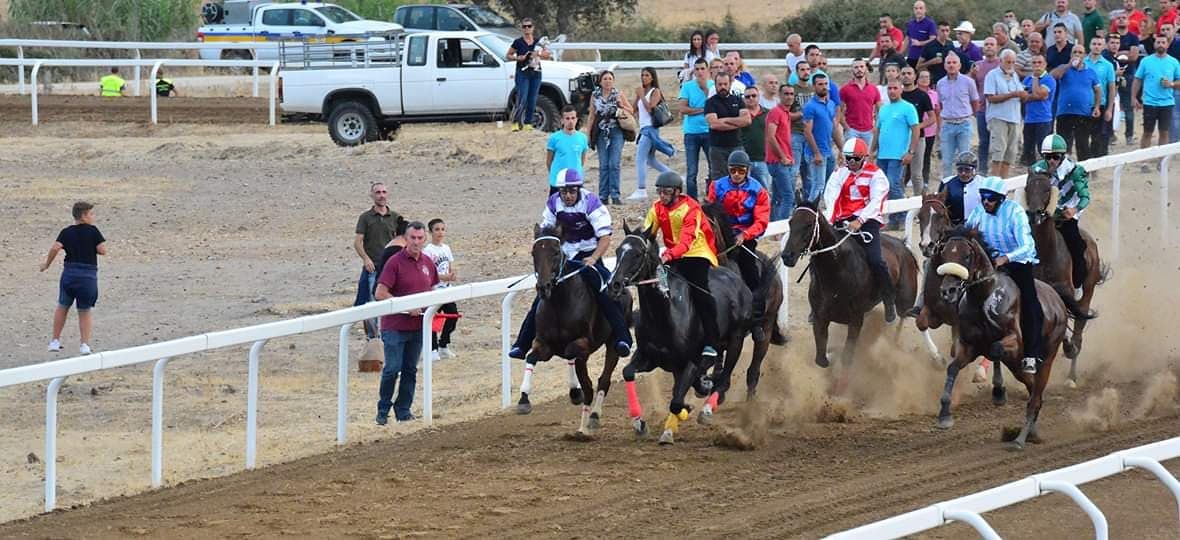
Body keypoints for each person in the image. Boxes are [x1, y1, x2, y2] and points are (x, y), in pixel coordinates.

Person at [507, 170, 633, 361]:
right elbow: (546, 234)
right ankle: (522, 344)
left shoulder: (591, 202)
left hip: (588, 254)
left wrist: (593, 258)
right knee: (541, 296)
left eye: (572, 191)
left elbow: (605, 238)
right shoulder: (553, 203)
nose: (567, 196)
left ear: (578, 189)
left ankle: (623, 338)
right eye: (564, 192)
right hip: (564, 256)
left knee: (604, 292)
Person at [963, 176, 1043, 374]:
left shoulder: (1015, 212)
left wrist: (1006, 258)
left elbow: (1028, 246)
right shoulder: (979, 211)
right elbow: (966, 233)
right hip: (988, 263)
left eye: (990, 198)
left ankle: (1031, 355)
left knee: (1030, 303)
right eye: (983, 197)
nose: (985, 202)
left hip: (1017, 264)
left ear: (1001, 199)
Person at [645, 170, 722, 362]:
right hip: (672, 255)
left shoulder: (692, 208)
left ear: (677, 192)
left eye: (666, 192)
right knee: (655, 285)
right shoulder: (656, 208)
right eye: (660, 192)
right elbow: (646, 233)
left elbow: (686, 241)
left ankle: (713, 343)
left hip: (696, 253)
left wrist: (668, 255)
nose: (662, 196)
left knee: (700, 293)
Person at [822, 138, 897, 324]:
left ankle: (889, 300)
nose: (852, 163)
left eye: (855, 159)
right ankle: (820, 302)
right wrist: (831, 219)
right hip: (842, 220)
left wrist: (860, 220)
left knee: (876, 260)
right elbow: (830, 195)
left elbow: (876, 200)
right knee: (822, 256)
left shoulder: (876, 175)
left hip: (867, 221)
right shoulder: (839, 173)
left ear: (863, 158)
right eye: (849, 159)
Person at [374, 222, 438, 425]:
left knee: (410, 369)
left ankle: (403, 410)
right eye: (413, 238)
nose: (416, 242)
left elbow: (434, 290)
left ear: (425, 239)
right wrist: (405, 306)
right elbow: (380, 293)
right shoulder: (395, 262)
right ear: (406, 238)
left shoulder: (428, 263)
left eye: (420, 238)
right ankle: (383, 411)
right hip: (395, 325)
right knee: (392, 368)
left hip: (418, 327)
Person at [707, 150, 771, 339]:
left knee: (751, 272)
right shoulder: (717, 186)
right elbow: (708, 212)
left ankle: (757, 321)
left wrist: (746, 234)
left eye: (740, 171)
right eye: (733, 170)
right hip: (721, 235)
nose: (736, 174)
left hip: (744, 236)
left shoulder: (758, 190)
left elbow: (762, 221)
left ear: (747, 171)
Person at [41, 201, 107, 355]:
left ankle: (55, 341)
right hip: (87, 276)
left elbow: (55, 247)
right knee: (84, 310)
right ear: (84, 216)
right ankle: (84, 345)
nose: (93, 217)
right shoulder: (93, 231)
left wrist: (47, 264)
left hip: (69, 273)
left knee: (63, 306)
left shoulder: (66, 231)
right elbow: (102, 250)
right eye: (91, 214)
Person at [1030, 134, 1091, 300]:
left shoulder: (1076, 171)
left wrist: (1074, 209)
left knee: (1077, 246)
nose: (1051, 161)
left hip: (1065, 216)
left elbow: (1085, 197)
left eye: (1055, 157)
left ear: (1063, 156)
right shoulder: (1036, 169)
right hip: (1043, 215)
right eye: (1047, 157)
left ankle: (1077, 284)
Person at [354, 182, 403, 340]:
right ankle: (372, 338)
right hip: (373, 267)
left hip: (390, 267)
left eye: (384, 192)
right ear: (372, 195)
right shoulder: (366, 217)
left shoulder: (395, 217)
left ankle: (389, 334)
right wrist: (366, 259)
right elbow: (358, 242)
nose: (381, 195)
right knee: (370, 302)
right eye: (378, 192)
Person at [871, 79, 920, 230]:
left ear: (901, 90)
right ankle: (892, 219)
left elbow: (916, 129)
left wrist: (911, 152)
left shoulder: (908, 108)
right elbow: (878, 131)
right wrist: (871, 151)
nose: (892, 91)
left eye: (895, 88)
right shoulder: (884, 109)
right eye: (890, 88)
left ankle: (902, 217)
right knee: (884, 187)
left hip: (897, 155)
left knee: (894, 185)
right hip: (882, 155)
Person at [587, 70, 632, 205]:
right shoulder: (595, 95)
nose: (607, 81)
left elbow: (630, 110)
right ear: (600, 81)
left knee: (614, 164)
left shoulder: (618, 94)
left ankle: (615, 195)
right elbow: (592, 115)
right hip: (601, 132)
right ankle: (603, 196)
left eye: (610, 78)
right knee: (603, 164)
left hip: (616, 131)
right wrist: (589, 134)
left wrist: (621, 105)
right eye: (605, 79)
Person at [633, 67, 675, 201]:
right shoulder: (642, 91)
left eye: (647, 75)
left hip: (650, 129)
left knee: (640, 158)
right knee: (650, 160)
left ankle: (641, 189)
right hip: (643, 128)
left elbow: (650, 108)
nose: (644, 78)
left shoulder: (655, 91)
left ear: (652, 78)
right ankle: (675, 177)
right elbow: (634, 109)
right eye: (642, 75)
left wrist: (641, 96)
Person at [936, 52, 980, 179]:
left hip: (964, 124)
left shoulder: (968, 82)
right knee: (946, 161)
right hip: (948, 125)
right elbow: (940, 103)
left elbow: (975, 101)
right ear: (944, 66)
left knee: (966, 159)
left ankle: (967, 184)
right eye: (948, 63)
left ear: (959, 65)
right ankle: (947, 187)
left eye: (954, 63)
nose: (951, 65)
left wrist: (970, 115)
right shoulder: (940, 83)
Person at [985, 50, 1027, 179]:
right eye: (1008, 62)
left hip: (1014, 118)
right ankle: (993, 183)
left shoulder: (1014, 75)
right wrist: (1013, 94)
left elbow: (1020, 94)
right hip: (998, 117)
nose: (1011, 64)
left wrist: (1023, 95)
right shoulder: (992, 75)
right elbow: (990, 97)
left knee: (1010, 154)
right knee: (998, 152)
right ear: (1001, 61)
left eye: (1013, 62)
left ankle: (1003, 183)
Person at [705, 72, 751, 189]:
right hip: (717, 148)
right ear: (715, 85)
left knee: (741, 177)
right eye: (720, 84)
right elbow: (714, 124)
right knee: (718, 181)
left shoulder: (738, 101)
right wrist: (736, 122)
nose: (723, 87)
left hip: (736, 146)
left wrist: (724, 120)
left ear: (730, 84)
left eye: (725, 84)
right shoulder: (710, 102)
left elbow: (746, 121)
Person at [1133, 34, 1180, 148]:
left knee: (1164, 132)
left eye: (1163, 42)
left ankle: (1162, 161)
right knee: (1147, 132)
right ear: (1154, 44)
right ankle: (1144, 160)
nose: (1160, 45)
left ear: (1167, 45)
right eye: (1158, 42)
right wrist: (1134, 97)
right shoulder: (1146, 61)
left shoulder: (1174, 62)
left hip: (1167, 103)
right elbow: (1138, 79)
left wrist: (1171, 84)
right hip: (1150, 102)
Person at [679, 58, 715, 199]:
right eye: (697, 69)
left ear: (707, 70)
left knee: (713, 167)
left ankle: (711, 197)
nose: (700, 72)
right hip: (691, 132)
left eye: (702, 69)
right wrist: (702, 110)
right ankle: (691, 201)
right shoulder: (687, 86)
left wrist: (705, 88)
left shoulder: (712, 86)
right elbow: (683, 108)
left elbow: (714, 105)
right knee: (692, 170)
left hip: (709, 131)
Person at [424, 218, 459, 361]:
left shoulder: (446, 248)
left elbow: (450, 264)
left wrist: (452, 274)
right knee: (433, 319)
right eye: (437, 229)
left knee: (453, 316)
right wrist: (443, 277)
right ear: (431, 232)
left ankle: (443, 344)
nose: (440, 232)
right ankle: (432, 348)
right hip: (434, 290)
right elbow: (428, 273)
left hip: (447, 289)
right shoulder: (428, 251)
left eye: (442, 229)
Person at [803, 73, 842, 203]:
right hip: (817, 152)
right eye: (820, 84)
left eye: (826, 84)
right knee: (818, 185)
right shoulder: (810, 106)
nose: (824, 87)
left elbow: (834, 128)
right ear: (814, 86)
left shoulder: (830, 104)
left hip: (828, 151)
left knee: (829, 185)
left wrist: (842, 149)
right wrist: (816, 153)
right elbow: (807, 132)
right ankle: (810, 213)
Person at [506, 18, 550, 132]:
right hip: (522, 72)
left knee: (533, 99)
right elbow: (508, 55)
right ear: (522, 28)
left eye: (529, 26)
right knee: (522, 98)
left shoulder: (538, 42)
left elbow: (547, 54)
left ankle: (528, 123)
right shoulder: (518, 42)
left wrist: (538, 53)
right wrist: (518, 57)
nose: (527, 28)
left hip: (536, 72)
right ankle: (515, 122)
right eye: (524, 26)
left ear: (533, 28)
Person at [766, 83, 798, 220]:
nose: (789, 96)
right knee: (788, 197)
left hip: (782, 161)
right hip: (777, 161)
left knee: (778, 197)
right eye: (786, 93)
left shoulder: (785, 113)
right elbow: (770, 137)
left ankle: (773, 229)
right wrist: (783, 157)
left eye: (791, 94)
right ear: (780, 95)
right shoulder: (775, 112)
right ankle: (781, 229)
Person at [901, 66, 935, 195]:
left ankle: (919, 204)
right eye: (903, 73)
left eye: (909, 73)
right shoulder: (899, 95)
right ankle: (900, 203)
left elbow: (932, 118)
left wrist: (917, 127)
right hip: (901, 139)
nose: (906, 76)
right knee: (900, 174)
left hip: (918, 138)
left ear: (915, 76)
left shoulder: (922, 96)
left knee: (916, 174)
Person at [971, 37, 1002, 175]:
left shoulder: (1002, 63)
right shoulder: (978, 65)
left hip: (998, 109)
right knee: (983, 141)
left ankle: (998, 170)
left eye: (992, 44)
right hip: (982, 109)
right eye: (986, 44)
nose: (989, 47)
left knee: (998, 141)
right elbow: (971, 85)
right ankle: (982, 169)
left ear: (997, 47)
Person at [1084, 36, 1119, 156]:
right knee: (1083, 136)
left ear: (1103, 47)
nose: (1096, 46)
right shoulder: (1083, 63)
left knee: (1099, 136)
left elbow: (1111, 88)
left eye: (1099, 44)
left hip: (1101, 105)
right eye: (1094, 43)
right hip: (1084, 105)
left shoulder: (1108, 65)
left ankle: (1097, 164)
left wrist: (1109, 109)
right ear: (1089, 45)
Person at [1022, 55, 1059, 165]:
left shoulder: (1049, 79)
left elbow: (1039, 94)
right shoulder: (1027, 79)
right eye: (1034, 63)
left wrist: (1035, 79)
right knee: (1028, 150)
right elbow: (1021, 97)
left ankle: (1047, 173)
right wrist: (1031, 96)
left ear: (1045, 64)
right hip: (1029, 119)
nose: (1037, 65)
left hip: (1043, 119)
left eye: (1039, 62)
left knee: (1043, 150)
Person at [547, 105, 589, 196]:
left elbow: (582, 159)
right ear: (562, 120)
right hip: (557, 182)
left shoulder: (583, 138)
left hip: (576, 180)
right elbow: (549, 161)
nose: (570, 121)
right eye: (567, 118)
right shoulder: (554, 138)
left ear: (576, 119)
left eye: (573, 118)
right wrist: (555, 175)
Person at [840, 59, 881, 147]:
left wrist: (875, 127)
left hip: (869, 131)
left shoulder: (874, 89)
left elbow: (880, 110)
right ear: (852, 70)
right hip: (852, 130)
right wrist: (846, 128)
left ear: (866, 69)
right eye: (856, 67)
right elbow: (839, 111)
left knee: (867, 158)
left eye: (862, 67)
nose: (859, 69)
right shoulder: (845, 89)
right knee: (851, 159)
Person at [940, 151, 986, 224]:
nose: (963, 173)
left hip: (978, 226)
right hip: (953, 227)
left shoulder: (984, 183)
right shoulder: (947, 183)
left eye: (967, 170)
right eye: (960, 169)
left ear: (974, 170)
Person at [739, 87, 770, 185]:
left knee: (764, 190)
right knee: (744, 190)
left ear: (759, 97)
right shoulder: (739, 115)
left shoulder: (769, 113)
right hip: (744, 160)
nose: (751, 98)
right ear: (744, 99)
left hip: (764, 159)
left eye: (754, 96)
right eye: (747, 97)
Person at [918, 69, 941, 192]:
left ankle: (925, 180)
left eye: (927, 77)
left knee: (926, 156)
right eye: (922, 77)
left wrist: (939, 128)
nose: (925, 79)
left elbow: (937, 112)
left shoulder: (934, 94)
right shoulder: (913, 93)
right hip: (916, 130)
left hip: (930, 130)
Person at [906, 1, 939, 68]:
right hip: (911, 57)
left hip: (924, 59)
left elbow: (933, 39)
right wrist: (900, 54)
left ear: (925, 10)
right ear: (913, 10)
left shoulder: (930, 23)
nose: (918, 10)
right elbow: (907, 39)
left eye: (921, 8)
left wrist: (920, 43)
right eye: (916, 8)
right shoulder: (910, 23)